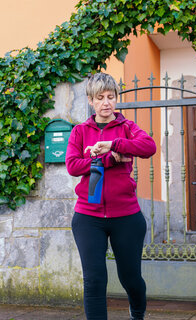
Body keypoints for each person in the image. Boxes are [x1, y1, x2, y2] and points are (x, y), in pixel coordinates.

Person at [65, 72, 156, 320]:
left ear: (116, 98)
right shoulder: (80, 131)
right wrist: (107, 159)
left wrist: (116, 144)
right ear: (91, 101)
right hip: (88, 217)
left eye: (111, 97)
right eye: (100, 98)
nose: (106, 103)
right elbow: (73, 165)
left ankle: (137, 312)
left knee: (130, 278)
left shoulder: (127, 128)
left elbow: (148, 147)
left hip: (126, 216)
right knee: (94, 280)